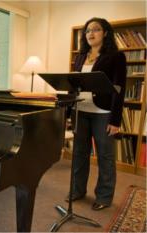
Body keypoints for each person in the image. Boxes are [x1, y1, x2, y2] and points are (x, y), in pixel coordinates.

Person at [70, 17, 127, 210]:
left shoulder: (116, 56)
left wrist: (115, 119)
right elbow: (74, 84)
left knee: (105, 156)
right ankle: (77, 190)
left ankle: (103, 197)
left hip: (103, 112)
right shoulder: (80, 56)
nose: (90, 34)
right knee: (79, 154)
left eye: (95, 29)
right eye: (87, 31)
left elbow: (119, 89)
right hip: (81, 111)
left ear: (105, 33)